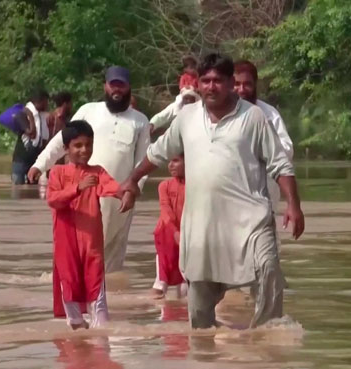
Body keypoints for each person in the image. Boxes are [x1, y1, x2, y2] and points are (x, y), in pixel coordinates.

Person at [119, 53, 305, 329]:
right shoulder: (186, 118)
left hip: (251, 221)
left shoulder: (253, 117)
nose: (210, 86)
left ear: (231, 83)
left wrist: (293, 205)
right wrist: (133, 179)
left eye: (218, 80)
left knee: (268, 270)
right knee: (200, 309)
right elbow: (157, 153)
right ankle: (207, 358)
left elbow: (280, 163)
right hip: (203, 225)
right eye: (205, 81)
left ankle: (267, 338)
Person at [28, 66, 150, 273]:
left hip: (119, 197)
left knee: (111, 253)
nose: (116, 90)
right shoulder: (89, 110)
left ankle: (109, 297)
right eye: (113, 85)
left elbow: (143, 163)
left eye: (121, 85)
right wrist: (40, 164)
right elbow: (61, 141)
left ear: (129, 87)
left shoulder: (140, 121)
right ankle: (71, 290)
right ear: (105, 86)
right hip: (82, 192)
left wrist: (132, 190)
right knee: (78, 245)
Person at [47, 121, 135, 329]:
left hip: (91, 241)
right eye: (78, 145)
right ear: (66, 148)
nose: (84, 150)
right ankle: (76, 329)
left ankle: (101, 333)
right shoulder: (57, 173)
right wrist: (77, 188)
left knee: (96, 283)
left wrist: (126, 194)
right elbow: (53, 200)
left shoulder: (96, 172)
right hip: (66, 241)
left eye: (88, 144)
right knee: (69, 282)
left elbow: (111, 186)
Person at [234, 60, 294, 216]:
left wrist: (261, 149)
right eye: (236, 84)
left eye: (247, 84)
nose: (241, 89)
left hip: (263, 199)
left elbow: (287, 151)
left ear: (255, 85)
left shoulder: (268, 113)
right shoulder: (217, 115)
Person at [151, 155, 186, 299]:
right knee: (161, 284)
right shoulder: (164, 185)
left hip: (188, 235)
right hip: (166, 236)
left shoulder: (196, 186)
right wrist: (175, 232)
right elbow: (166, 211)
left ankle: (179, 317)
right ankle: (159, 315)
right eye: (169, 161)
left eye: (176, 161)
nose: (170, 165)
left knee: (186, 287)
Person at [12, 89, 50, 185]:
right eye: (46, 102)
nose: (47, 105)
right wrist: (31, 116)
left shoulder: (42, 116)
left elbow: (44, 139)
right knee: (18, 189)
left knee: (33, 191)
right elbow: (31, 133)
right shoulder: (22, 114)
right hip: (21, 159)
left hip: (34, 160)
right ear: (39, 101)